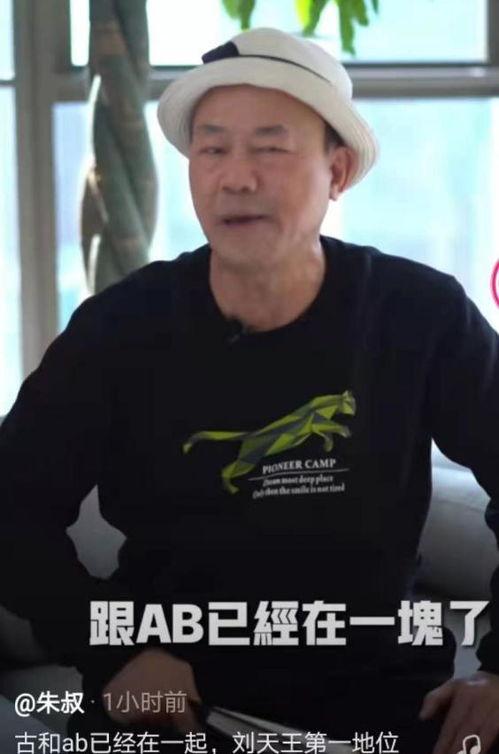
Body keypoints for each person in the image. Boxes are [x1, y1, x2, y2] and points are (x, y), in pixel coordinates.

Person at [1, 25, 499, 754]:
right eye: (212, 150)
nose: (235, 177)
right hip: (173, 709)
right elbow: (11, 508)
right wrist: (114, 653)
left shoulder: (418, 315)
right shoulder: (122, 327)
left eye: (269, 148)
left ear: (338, 170)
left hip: (389, 705)